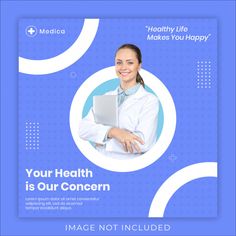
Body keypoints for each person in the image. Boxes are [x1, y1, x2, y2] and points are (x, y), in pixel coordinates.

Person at [79, 44, 159, 159]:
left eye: (130, 62)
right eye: (119, 62)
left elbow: (143, 143)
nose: (123, 67)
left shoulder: (149, 100)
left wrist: (101, 139)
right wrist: (114, 132)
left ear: (139, 66)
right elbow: (83, 129)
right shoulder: (106, 97)